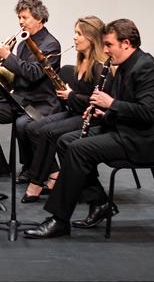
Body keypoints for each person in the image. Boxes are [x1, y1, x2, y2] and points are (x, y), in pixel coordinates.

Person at [24, 18, 154, 238]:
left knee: (78, 148)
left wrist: (111, 104)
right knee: (66, 141)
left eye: (109, 45)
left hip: (145, 140)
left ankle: (59, 219)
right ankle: (99, 202)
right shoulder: (124, 65)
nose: (104, 50)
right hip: (126, 129)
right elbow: (130, 107)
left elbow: (147, 113)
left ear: (126, 43)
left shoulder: (146, 68)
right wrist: (103, 113)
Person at [0, 0, 62, 179]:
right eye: (19, 17)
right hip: (20, 100)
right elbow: (17, 76)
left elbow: (34, 73)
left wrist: (8, 56)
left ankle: (31, 168)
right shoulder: (22, 44)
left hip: (41, 103)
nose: (20, 22)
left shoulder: (51, 44)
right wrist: (0, 67)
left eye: (25, 17)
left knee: (22, 124)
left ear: (39, 18)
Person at [21, 16, 110, 203]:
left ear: (92, 37)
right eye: (75, 33)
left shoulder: (99, 65)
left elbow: (97, 102)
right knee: (33, 127)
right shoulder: (81, 60)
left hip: (91, 117)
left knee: (48, 131)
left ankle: (36, 183)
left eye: (79, 34)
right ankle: (53, 175)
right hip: (75, 110)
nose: (75, 38)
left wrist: (70, 96)